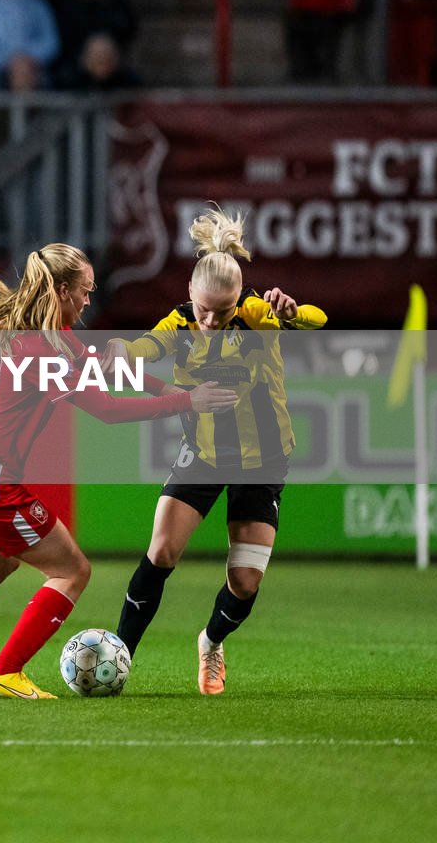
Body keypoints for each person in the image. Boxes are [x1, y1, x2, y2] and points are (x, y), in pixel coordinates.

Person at [0, 243, 236, 699]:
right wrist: (186, 402)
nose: (89, 300)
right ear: (60, 289)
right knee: (72, 571)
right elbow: (106, 410)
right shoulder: (43, 351)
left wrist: (163, 388)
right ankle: (5, 674)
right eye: (85, 291)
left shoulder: (39, 333)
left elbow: (97, 368)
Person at [112, 207, 325, 695]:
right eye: (203, 308)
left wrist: (293, 312)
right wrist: (121, 349)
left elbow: (318, 319)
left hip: (263, 461)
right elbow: (146, 346)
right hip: (204, 455)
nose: (210, 320)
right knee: (161, 551)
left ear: (239, 299)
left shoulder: (258, 316)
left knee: (245, 582)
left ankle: (211, 642)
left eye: (222, 311)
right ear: (190, 291)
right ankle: (119, 658)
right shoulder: (180, 323)